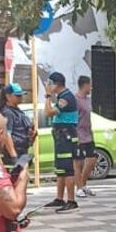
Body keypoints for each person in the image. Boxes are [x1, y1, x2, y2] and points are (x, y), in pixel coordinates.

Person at [44, 71, 79, 212]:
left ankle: (71, 201)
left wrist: (47, 96)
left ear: (56, 84)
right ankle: (59, 198)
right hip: (60, 136)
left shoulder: (66, 97)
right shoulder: (61, 96)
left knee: (67, 169)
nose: (48, 86)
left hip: (66, 136)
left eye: (49, 83)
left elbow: (48, 112)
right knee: (60, 169)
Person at [0, 83, 35, 168]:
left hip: (22, 152)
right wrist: (13, 156)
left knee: (23, 177)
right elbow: (7, 135)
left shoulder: (19, 112)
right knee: (17, 179)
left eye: (21, 95)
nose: (20, 98)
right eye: (17, 96)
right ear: (8, 96)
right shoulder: (7, 113)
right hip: (13, 154)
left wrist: (31, 135)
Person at [74, 75, 97, 198]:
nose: (91, 88)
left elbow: (88, 118)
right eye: (90, 85)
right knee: (79, 163)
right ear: (85, 85)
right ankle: (78, 188)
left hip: (88, 134)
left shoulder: (88, 100)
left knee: (92, 159)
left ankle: (83, 184)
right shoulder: (75, 99)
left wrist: (92, 133)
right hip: (78, 135)